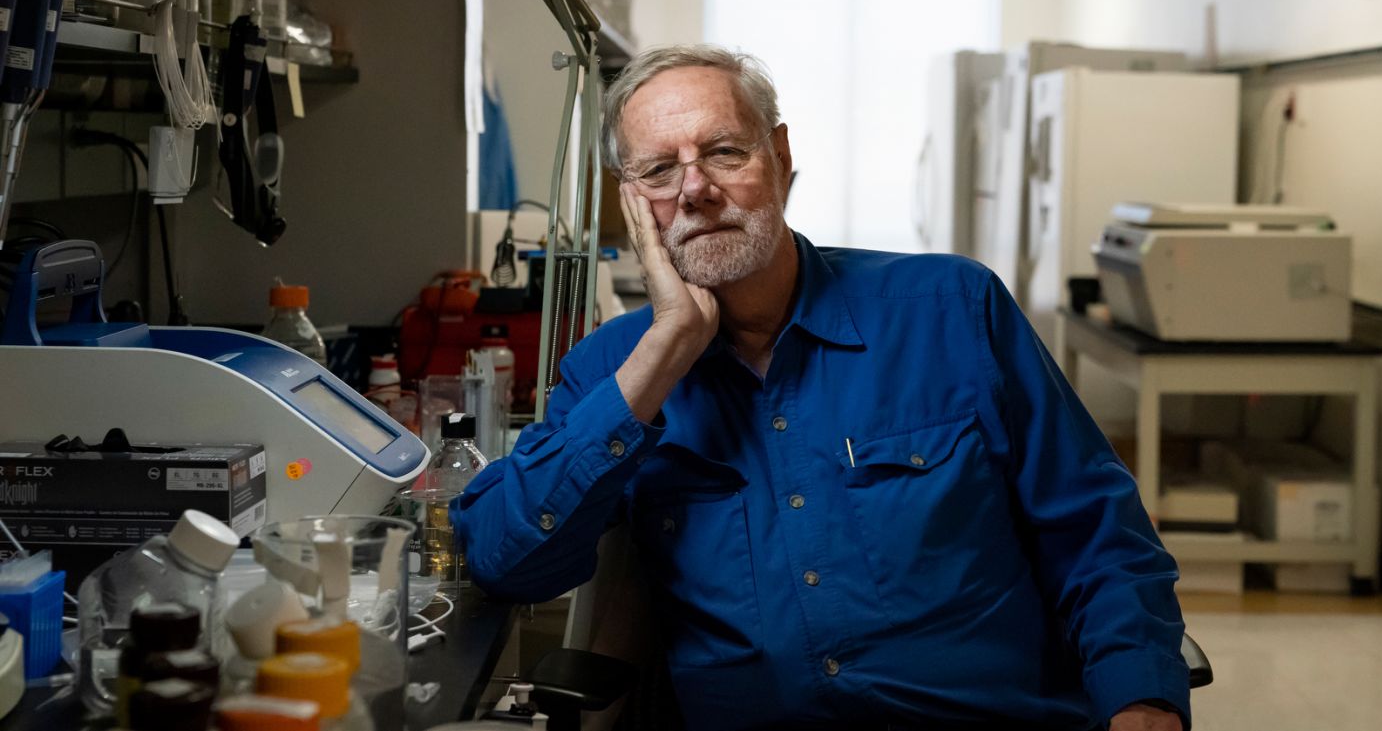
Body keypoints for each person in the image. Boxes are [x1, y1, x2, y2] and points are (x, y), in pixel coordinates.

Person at [452, 44, 1189, 731]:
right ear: (633, 204)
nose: (697, 189)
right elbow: (506, 559)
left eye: (723, 151)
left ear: (778, 156)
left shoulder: (952, 310)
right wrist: (667, 348)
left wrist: (1144, 697)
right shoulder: (617, 370)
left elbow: (1100, 533)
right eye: (659, 171)